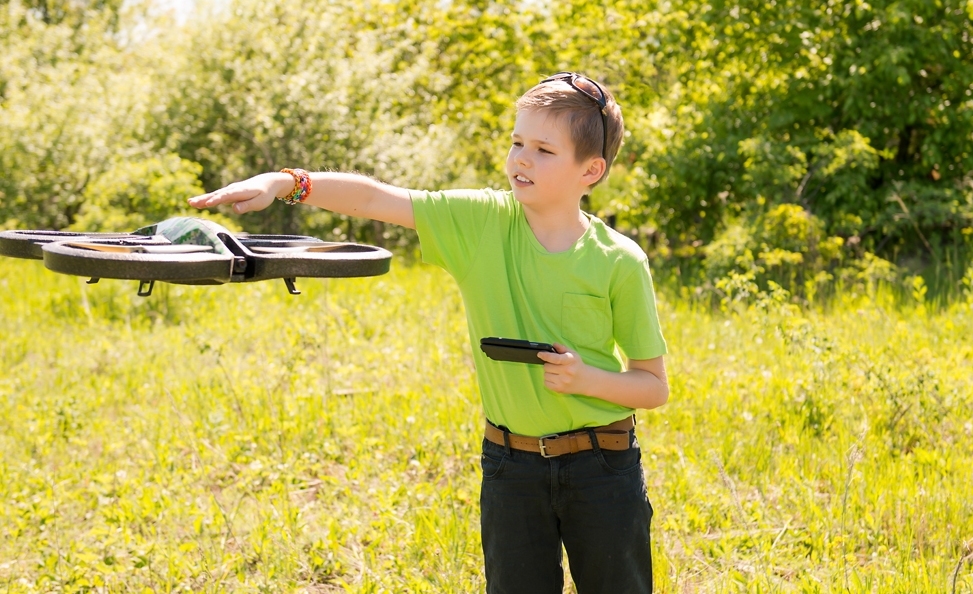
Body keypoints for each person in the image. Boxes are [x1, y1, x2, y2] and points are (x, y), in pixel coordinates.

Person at [187, 72, 670, 594]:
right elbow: (376, 200)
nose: (521, 159)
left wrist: (584, 378)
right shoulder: (482, 222)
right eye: (517, 142)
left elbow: (652, 387)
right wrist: (285, 183)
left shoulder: (619, 261)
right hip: (511, 466)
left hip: (604, 466)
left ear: (590, 170)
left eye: (544, 149)